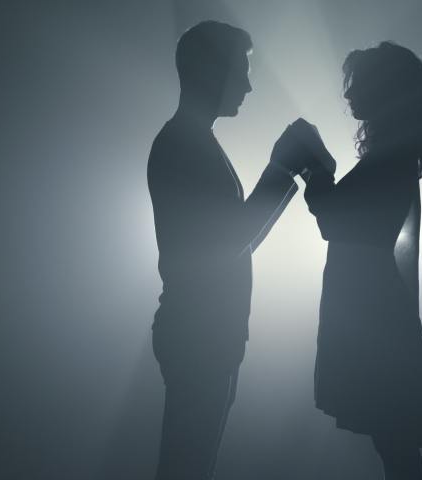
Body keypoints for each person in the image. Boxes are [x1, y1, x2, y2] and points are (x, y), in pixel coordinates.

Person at [146, 21, 311, 480]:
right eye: (240, 71)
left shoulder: (191, 141)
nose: (248, 86)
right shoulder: (185, 145)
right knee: (187, 467)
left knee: (190, 464)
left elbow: (234, 242)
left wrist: (282, 172)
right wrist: (281, 169)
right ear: (212, 72)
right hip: (199, 335)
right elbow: (228, 242)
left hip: (204, 332)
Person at [302, 41, 422, 480]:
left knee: (393, 440)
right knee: (392, 440)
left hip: (375, 317)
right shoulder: (394, 156)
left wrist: (315, 167)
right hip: (378, 312)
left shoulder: (388, 158)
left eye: (358, 83)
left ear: (384, 90)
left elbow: (335, 221)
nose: (348, 94)